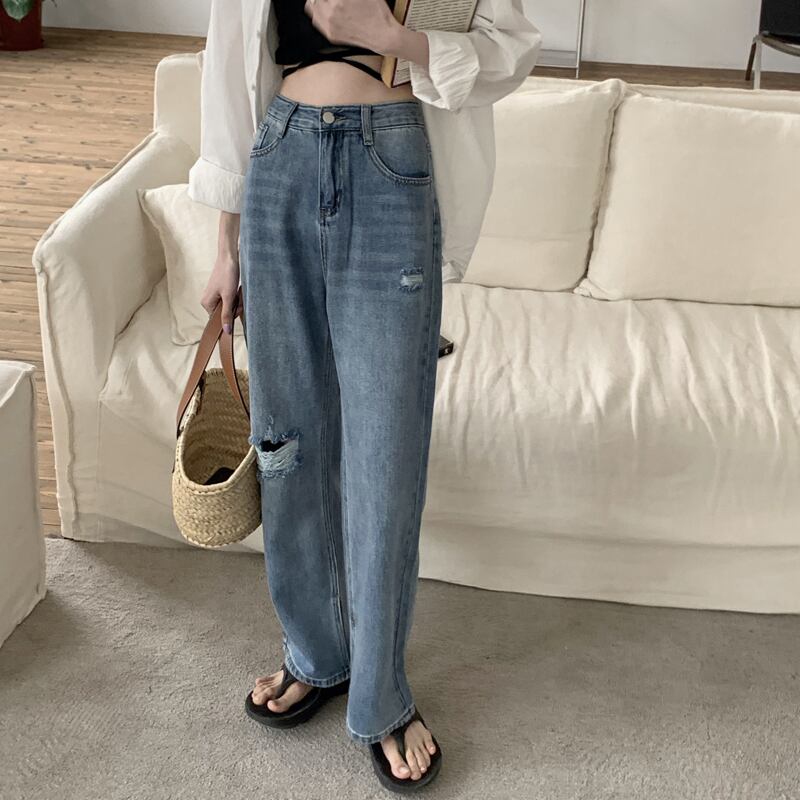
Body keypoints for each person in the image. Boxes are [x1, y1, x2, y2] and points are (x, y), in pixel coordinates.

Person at [188, 0, 542, 791]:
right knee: (287, 442)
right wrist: (225, 247)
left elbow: (511, 49)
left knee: (386, 455)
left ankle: (382, 695)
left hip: (392, 159)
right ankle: (314, 654)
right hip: (280, 157)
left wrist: (393, 39)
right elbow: (227, 74)